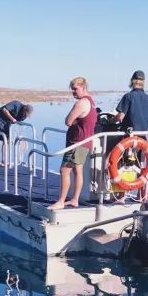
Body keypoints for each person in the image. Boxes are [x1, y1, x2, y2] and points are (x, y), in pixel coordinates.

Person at [48, 77, 97, 210]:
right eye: (72, 89)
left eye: (75, 89)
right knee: (77, 170)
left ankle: (61, 201)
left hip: (77, 143)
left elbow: (68, 121)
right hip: (85, 142)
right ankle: (74, 199)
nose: (73, 92)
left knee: (64, 170)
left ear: (83, 87)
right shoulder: (91, 102)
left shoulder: (82, 103)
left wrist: (74, 122)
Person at [0, 100, 33, 165]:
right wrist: (12, 119)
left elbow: (18, 122)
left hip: (7, 123)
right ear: (24, 108)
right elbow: (4, 110)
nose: (26, 115)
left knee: (6, 141)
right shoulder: (16, 104)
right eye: (26, 113)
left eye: (27, 115)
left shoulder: (24, 116)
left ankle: (4, 160)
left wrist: (20, 135)